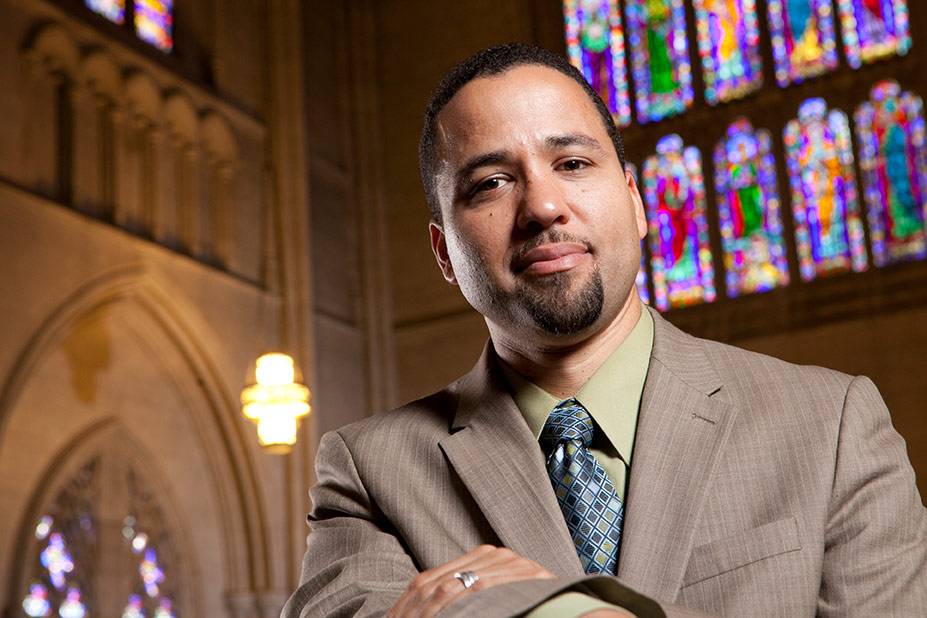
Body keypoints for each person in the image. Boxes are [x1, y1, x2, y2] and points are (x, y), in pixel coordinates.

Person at [282, 43, 927, 618]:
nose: (541, 207)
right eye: (491, 183)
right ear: (445, 254)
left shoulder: (832, 424)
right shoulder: (369, 473)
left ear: (637, 202)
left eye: (572, 163)